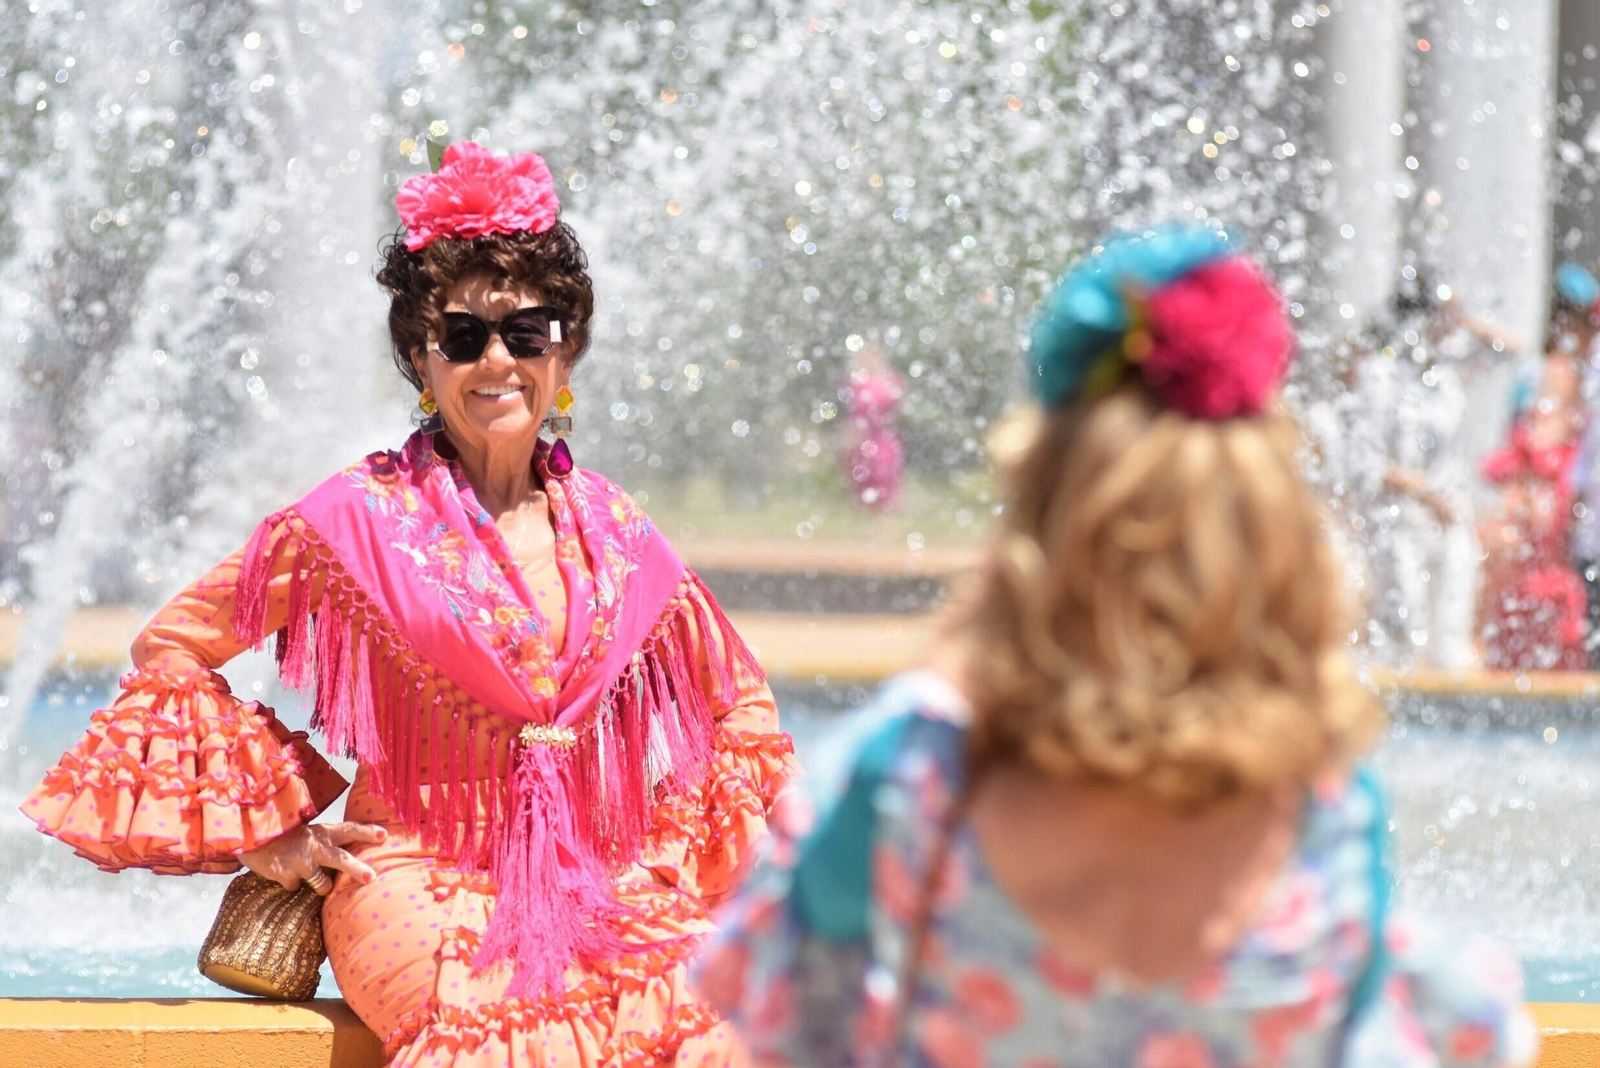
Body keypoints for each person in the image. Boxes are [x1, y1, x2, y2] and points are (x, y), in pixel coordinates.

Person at [21, 143, 797, 1066]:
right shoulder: (353, 518)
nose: (495, 360)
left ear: (567, 351)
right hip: (413, 881)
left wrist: (664, 850)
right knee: (504, 1042)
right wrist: (275, 833)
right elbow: (172, 649)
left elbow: (738, 703)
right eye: (462, 337)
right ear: (423, 362)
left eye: (525, 333)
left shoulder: (616, 531)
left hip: (596, 885)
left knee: (729, 1024)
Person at [698, 227, 1536, 1068]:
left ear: (1043, 513)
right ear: (1270, 534)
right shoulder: (1325, 818)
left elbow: (758, 1001)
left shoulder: (913, 783)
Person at [1476, 265, 1596, 670]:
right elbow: (1543, 440)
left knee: (1522, 588)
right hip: (1546, 492)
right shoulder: (1563, 372)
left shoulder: (1538, 370)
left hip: (1533, 490)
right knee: (1543, 588)